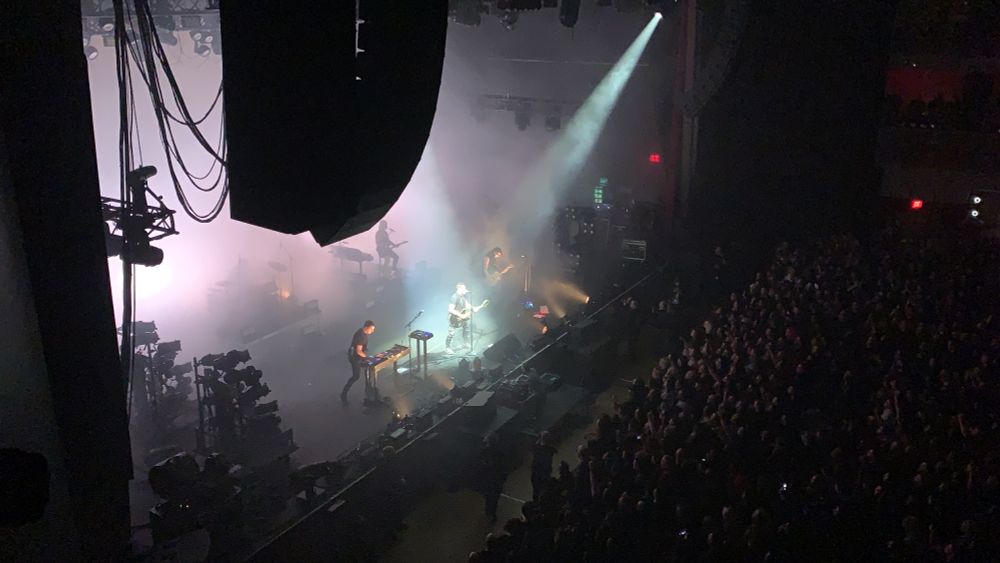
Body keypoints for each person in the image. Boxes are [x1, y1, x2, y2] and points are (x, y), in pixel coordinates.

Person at [446, 282, 487, 355]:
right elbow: (450, 309)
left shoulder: (463, 298)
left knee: (466, 329)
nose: (465, 290)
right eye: (464, 288)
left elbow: (468, 306)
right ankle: (447, 348)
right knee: (451, 334)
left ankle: (465, 343)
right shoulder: (454, 297)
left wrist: (476, 307)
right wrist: (461, 316)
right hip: (453, 318)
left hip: (462, 317)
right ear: (459, 288)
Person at [342, 320, 375, 404]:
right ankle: (343, 394)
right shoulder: (361, 336)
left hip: (358, 356)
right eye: (371, 329)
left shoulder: (363, 332)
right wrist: (367, 357)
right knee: (355, 376)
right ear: (366, 327)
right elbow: (358, 351)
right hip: (355, 358)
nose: (372, 331)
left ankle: (368, 390)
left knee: (366, 370)